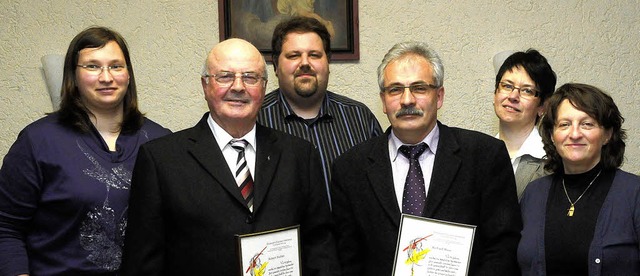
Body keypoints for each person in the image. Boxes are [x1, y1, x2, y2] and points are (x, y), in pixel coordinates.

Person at [120, 38, 340, 275]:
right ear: (205, 86)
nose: (238, 87)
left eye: (250, 77)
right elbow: (142, 263)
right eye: (225, 76)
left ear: (264, 87)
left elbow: (320, 248)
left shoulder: (299, 155)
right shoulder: (161, 160)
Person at [330, 41, 522, 275]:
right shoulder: (350, 168)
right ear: (383, 100)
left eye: (419, 88)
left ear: (439, 96)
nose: (407, 100)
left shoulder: (485, 156)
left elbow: (502, 247)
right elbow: (349, 258)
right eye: (395, 89)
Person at [0, 26, 171, 275]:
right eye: (92, 66)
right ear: (73, 76)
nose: (106, 77)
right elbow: (6, 227)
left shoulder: (160, 141)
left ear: (129, 75)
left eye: (116, 66)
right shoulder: (39, 141)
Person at [518, 83, 639, 275]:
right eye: (564, 124)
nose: (574, 134)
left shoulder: (633, 193)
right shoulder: (534, 193)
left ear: (607, 134)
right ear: (552, 135)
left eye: (587, 124)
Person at [258, 16, 382, 203]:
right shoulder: (256, 120)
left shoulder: (360, 117)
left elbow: (382, 187)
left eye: (314, 55)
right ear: (275, 65)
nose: (305, 63)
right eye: (294, 55)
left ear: (328, 62)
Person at [493, 49, 557, 199]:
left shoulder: (553, 163)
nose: (513, 96)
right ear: (495, 93)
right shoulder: (476, 156)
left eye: (527, 91)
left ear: (543, 106)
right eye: (507, 86)